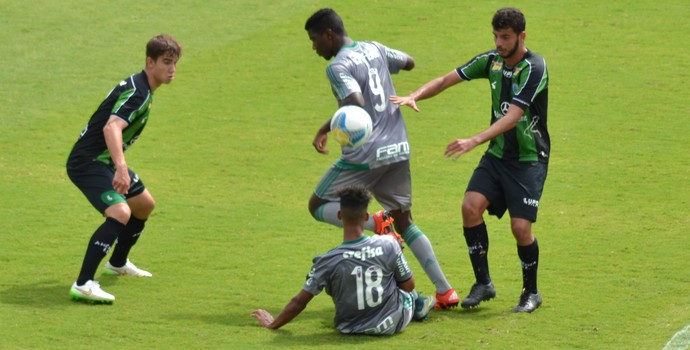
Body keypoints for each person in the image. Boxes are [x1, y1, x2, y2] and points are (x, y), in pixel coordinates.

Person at [391, 7, 549, 313]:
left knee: (520, 228)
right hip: (498, 155)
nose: (499, 43)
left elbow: (514, 116)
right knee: (470, 207)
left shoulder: (535, 68)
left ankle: (531, 292)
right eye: (496, 36)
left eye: (505, 37)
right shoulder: (490, 61)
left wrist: (475, 140)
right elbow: (447, 79)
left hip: (529, 159)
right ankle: (483, 283)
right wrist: (415, 95)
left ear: (522, 36)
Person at [303, 8, 459, 310]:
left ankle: (376, 222)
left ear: (329, 35)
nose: (314, 47)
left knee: (317, 205)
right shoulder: (374, 47)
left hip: (365, 155)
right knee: (406, 221)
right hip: (398, 148)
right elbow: (409, 62)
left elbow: (355, 102)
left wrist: (325, 128)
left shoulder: (338, 66)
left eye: (314, 40)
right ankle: (445, 291)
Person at [66, 34, 182, 304]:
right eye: (166, 62)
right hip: (88, 162)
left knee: (143, 205)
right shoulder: (139, 92)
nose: (172, 69)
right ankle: (83, 283)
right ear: (149, 62)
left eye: (175, 63)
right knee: (120, 212)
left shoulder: (142, 86)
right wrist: (121, 168)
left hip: (103, 159)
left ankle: (117, 263)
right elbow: (111, 127)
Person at [251, 185, 435, 335]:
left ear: (339, 216)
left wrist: (273, 324)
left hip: (350, 328)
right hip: (391, 324)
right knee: (400, 275)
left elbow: (299, 301)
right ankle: (420, 304)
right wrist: (395, 253)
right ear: (366, 217)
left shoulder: (326, 260)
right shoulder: (388, 245)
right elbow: (408, 286)